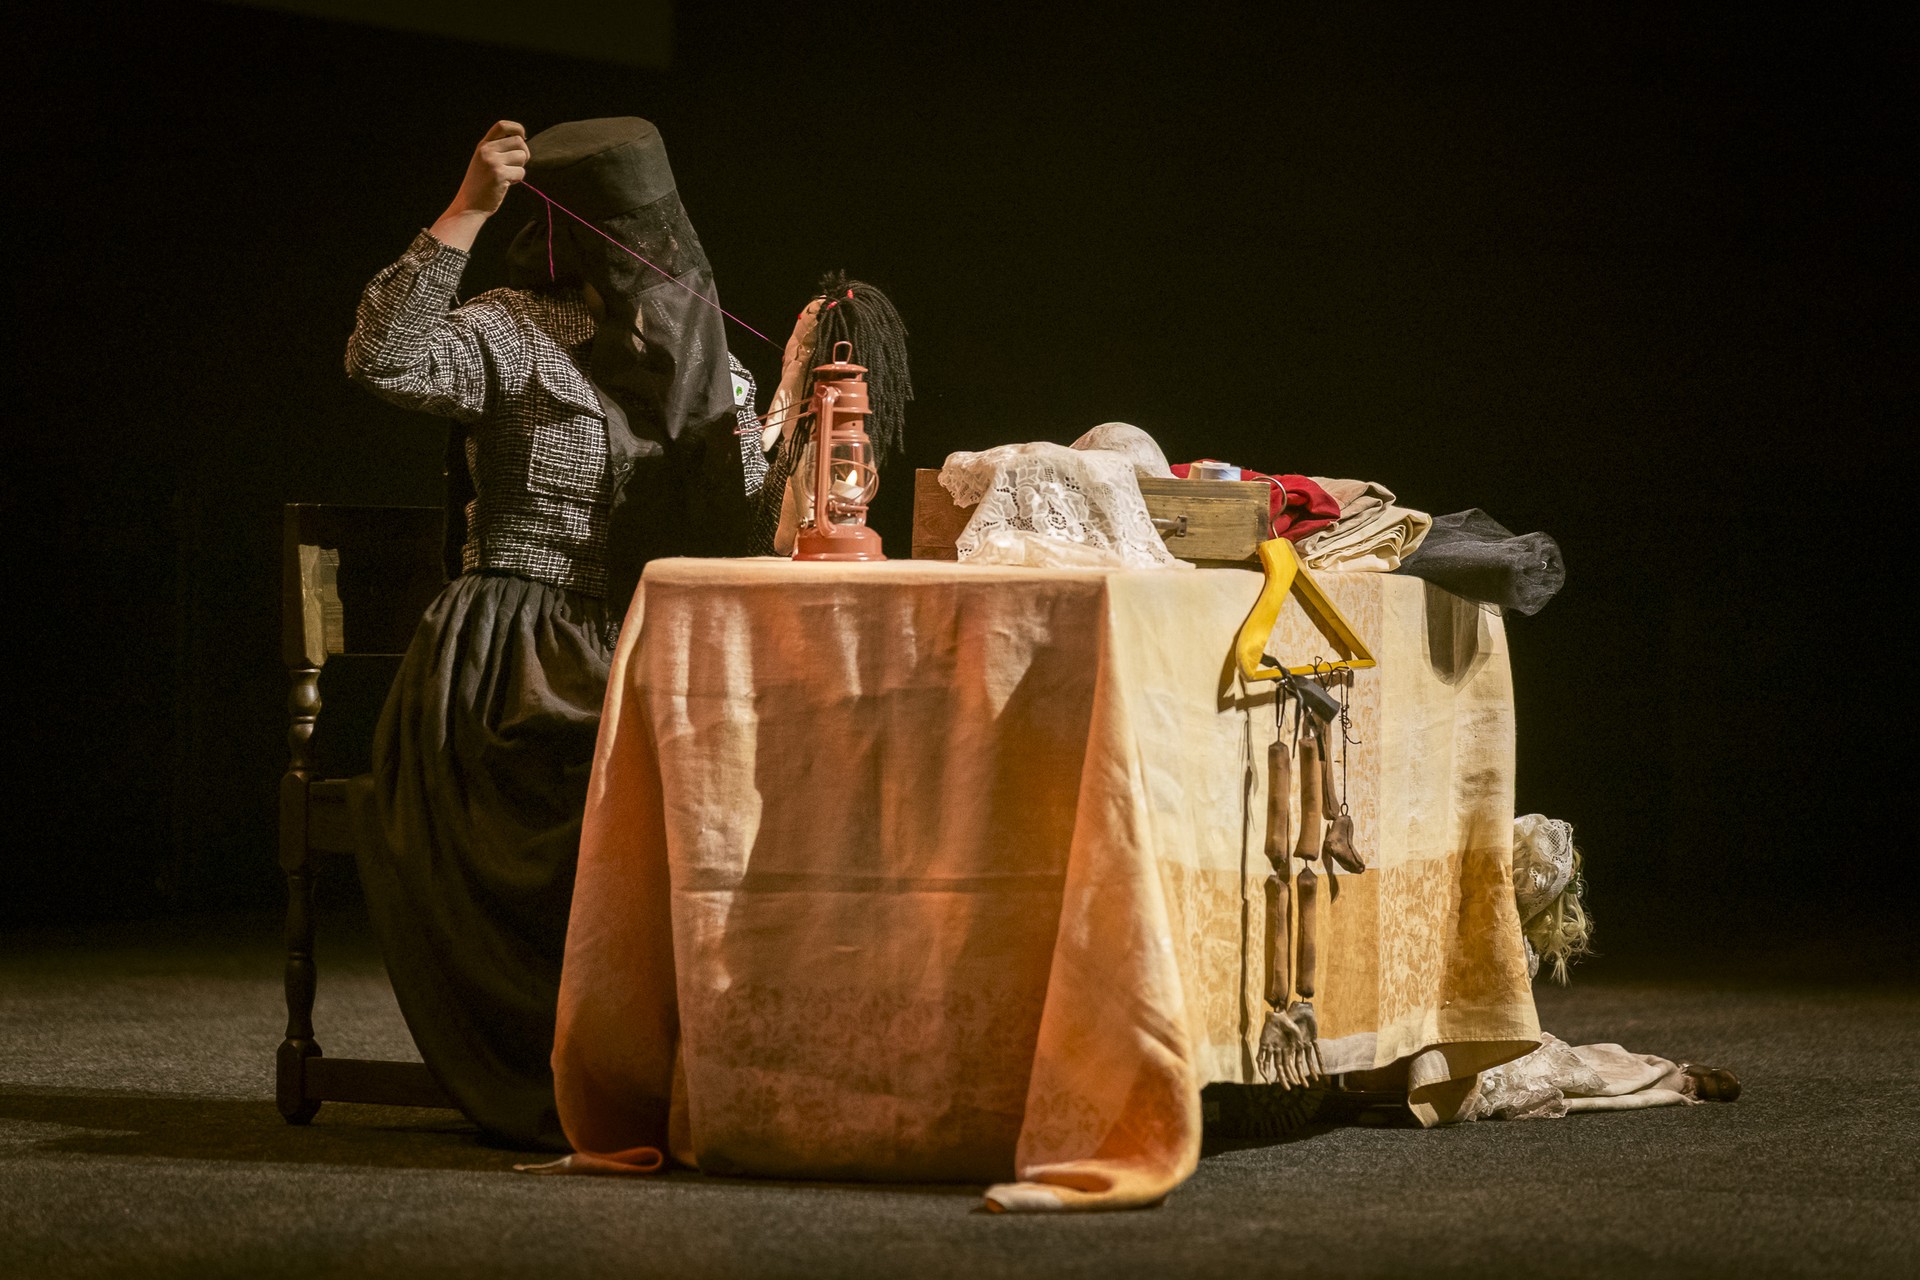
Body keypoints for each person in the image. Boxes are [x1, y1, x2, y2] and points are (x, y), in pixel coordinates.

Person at [343, 117, 763, 1147]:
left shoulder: (702, 358)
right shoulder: (512, 328)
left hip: (645, 651)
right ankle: (570, 1062)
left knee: (742, 786)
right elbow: (382, 358)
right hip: (515, 656)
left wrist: (801, 435)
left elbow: (753, 525)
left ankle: (681, 1062)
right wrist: (466, 211)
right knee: (593, 797)